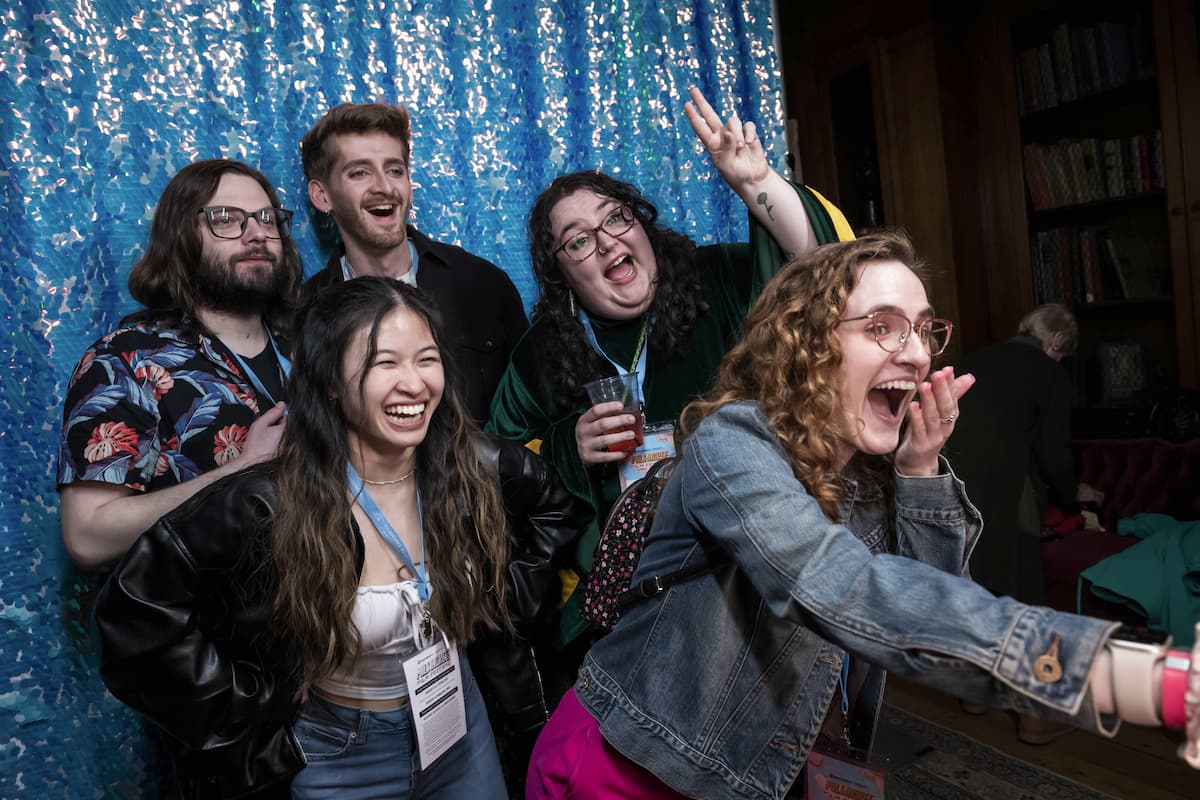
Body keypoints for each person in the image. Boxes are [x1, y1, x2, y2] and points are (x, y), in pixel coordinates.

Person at [525, 231, 1200, 800]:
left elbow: (927, 616)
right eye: (881, 326)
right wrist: (1132, 676)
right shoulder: (733, 443)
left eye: (923, 329)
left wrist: (919, 474)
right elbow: (848, 590)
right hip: (630, 767)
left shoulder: (875, 470)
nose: (914, 351)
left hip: (767, 767)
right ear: (806, 344)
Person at [92, 277, 582, 799]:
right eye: (383, 363)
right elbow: (134, 616)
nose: (414, 384)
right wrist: (249, 698)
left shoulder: (468, 465)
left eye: (427, 359)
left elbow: (556, 505)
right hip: (338, 757)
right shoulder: (270, 503)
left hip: (459, 732)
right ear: (330, 381)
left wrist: (503, 602)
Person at [486, 87, 855, 649]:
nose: (608, 241)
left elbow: (826, 272)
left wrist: (757, 185)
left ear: (641, 225)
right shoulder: (541, 352)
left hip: (748, 565)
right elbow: (495, 463)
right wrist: (567, 446)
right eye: (579, 241)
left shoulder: (721, 283)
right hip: (625, 597)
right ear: (561, 272)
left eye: (616, 218)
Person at [58, 159, 302, 570]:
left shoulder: (311, 347)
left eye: (266, 218)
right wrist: (243, 469)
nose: (257, 233)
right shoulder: (125, 361)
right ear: (181, 238)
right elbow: (88, 536)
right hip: (203, 628)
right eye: (226, 219)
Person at [299, 101, 528, 423]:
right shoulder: (307, 311)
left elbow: (533, 414)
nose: (384, 187)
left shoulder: (482, 284)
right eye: (360, 172)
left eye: (395, 170)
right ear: (322, 196)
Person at [948, 303, 1093, 606]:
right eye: (1062, 355)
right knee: (1017, 593)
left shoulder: (971, 361)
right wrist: (1071, 496)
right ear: (1056, 340)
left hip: (951, 487)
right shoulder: (1050, 373)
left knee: (969, 591)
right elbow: (1054, 454)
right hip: (1007, 495)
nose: (1060, 361)